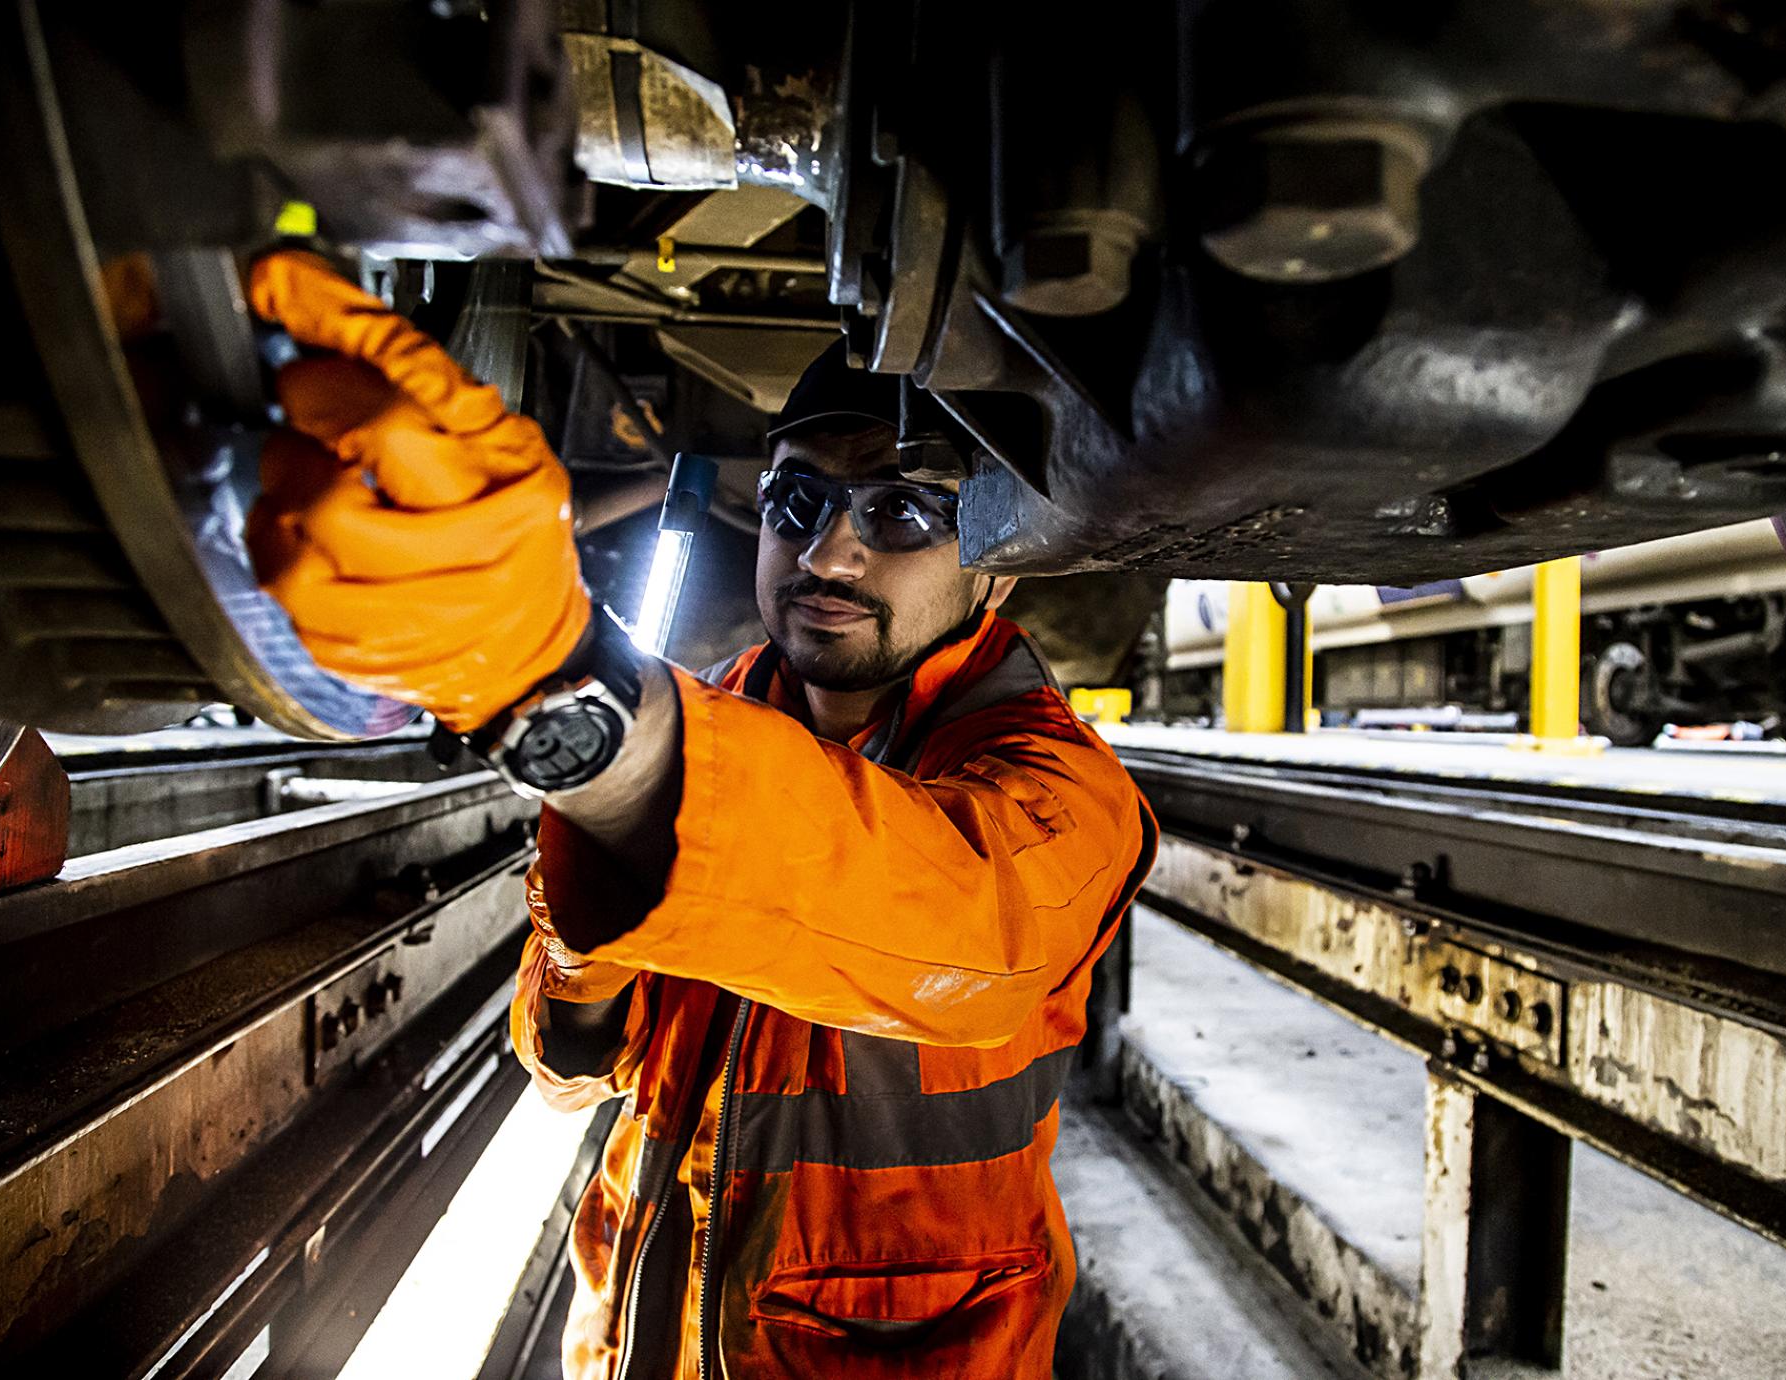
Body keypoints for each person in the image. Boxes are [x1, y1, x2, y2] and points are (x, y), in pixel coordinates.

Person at [243, 252, 1157, 1380]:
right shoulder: (699, 716)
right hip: (644, 1321)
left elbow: (971, 931)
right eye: (797, 502)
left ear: (999, 570)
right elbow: (567, 1064)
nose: (828, 552)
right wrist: (585, 960)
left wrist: (566, 695)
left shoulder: (1054, 785)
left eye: (905, 511)